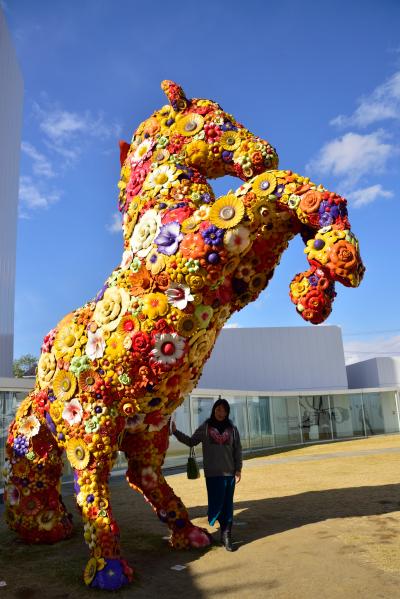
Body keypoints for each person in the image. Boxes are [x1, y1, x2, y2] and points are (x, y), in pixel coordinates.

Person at [171, 398, 242, 551]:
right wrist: (176, 432)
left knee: (227, 505)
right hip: (212, 475)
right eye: (218, 409)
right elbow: (191, 441)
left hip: (229, 474)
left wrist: (238, 470)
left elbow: (238, 450)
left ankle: (226, 536)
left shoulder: (232, 429)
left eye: (224, 410)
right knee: (217, 504)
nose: (221, 413)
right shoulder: (206, 427)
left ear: (227, 412)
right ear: (214, 410)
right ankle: (222, 530)